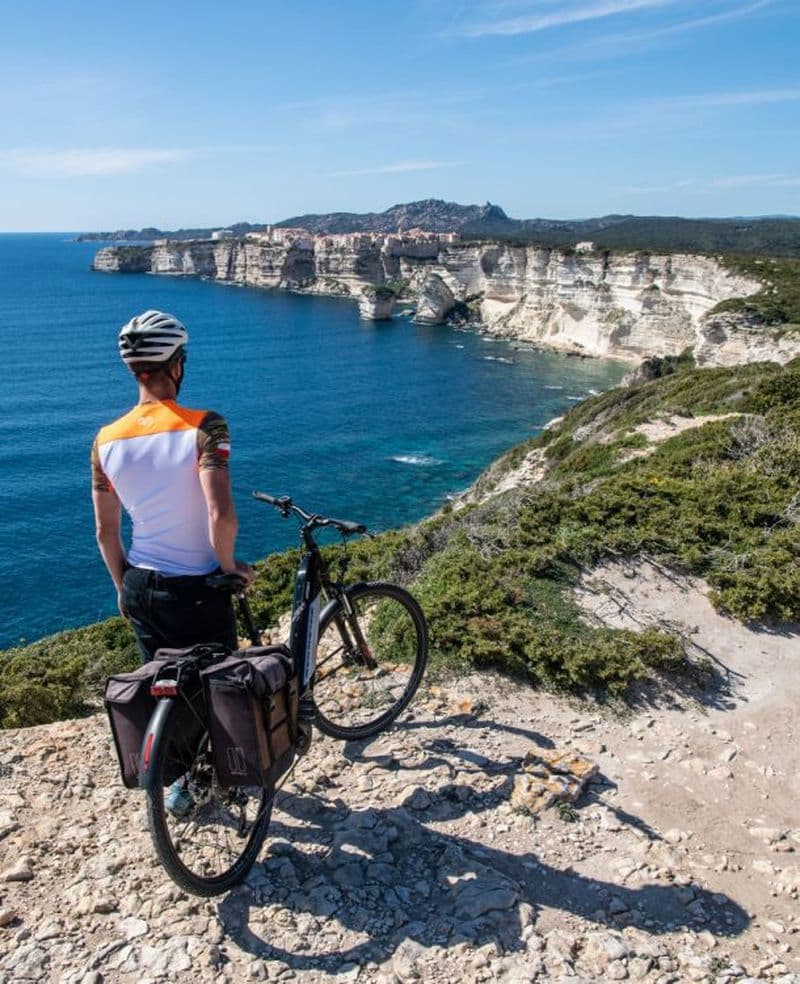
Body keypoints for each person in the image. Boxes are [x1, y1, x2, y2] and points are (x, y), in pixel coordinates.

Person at [91, 309, 253, 663]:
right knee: (220, 692)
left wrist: (123, 588)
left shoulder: (104, 441)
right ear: (176, 366)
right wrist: (229, 566)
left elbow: (105, 531)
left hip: (138, 584)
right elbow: (220, 514)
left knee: (161, 685)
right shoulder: (206, 427)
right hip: (197, 587)